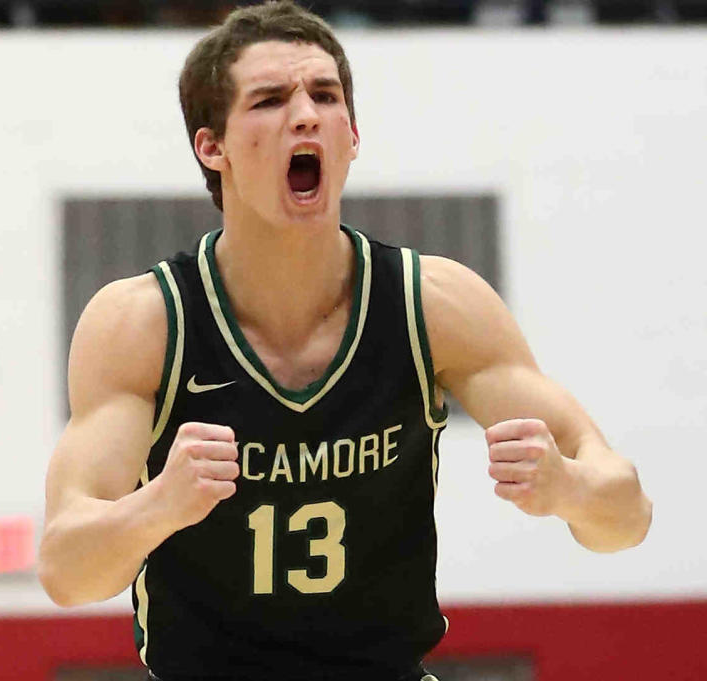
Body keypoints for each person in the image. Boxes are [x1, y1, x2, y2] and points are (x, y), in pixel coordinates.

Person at [39, 3, 653, 680]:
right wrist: (158, 504)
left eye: (325, 96)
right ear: (211, 147)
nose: (305, 115)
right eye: (270, 100)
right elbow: (66, 568)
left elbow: (628, 514)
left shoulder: (434, 303)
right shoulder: (143, 322)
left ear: (351, 136)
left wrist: (567, 488)